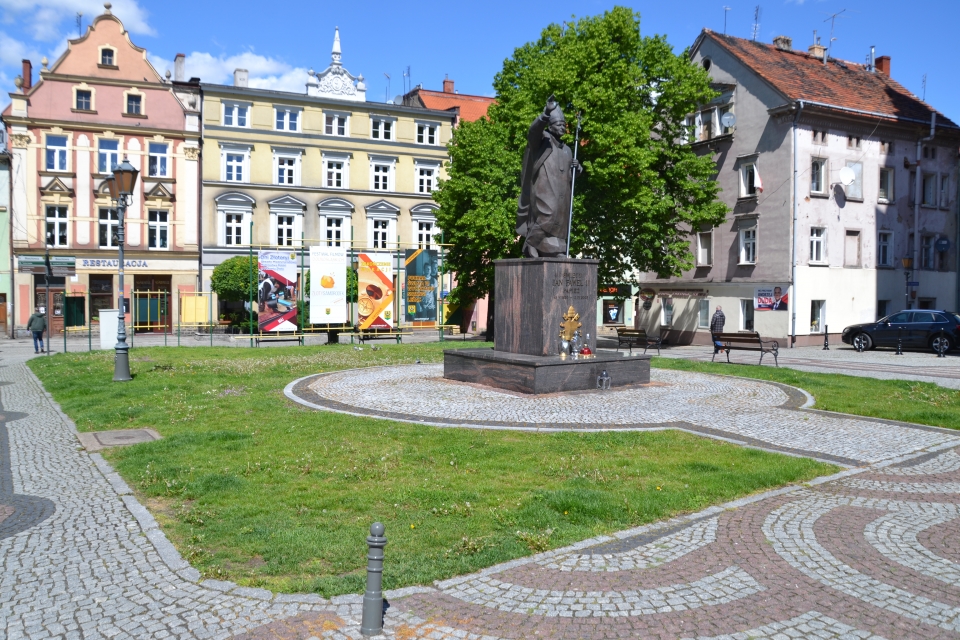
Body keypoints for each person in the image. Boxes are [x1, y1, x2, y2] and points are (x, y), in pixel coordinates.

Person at [516, 94, 582, 258]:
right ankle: (531, 243)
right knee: (548, 215)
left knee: (561, 218)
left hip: (562, 192)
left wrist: (577, 169)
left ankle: (555, 250)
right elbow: (533, 132)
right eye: (559, 124)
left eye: (564, 125)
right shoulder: (542, 141)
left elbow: (569, 175)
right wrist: (545, 113)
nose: (563, 128)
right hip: (544, 189)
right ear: (550, 126)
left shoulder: (567, 149)